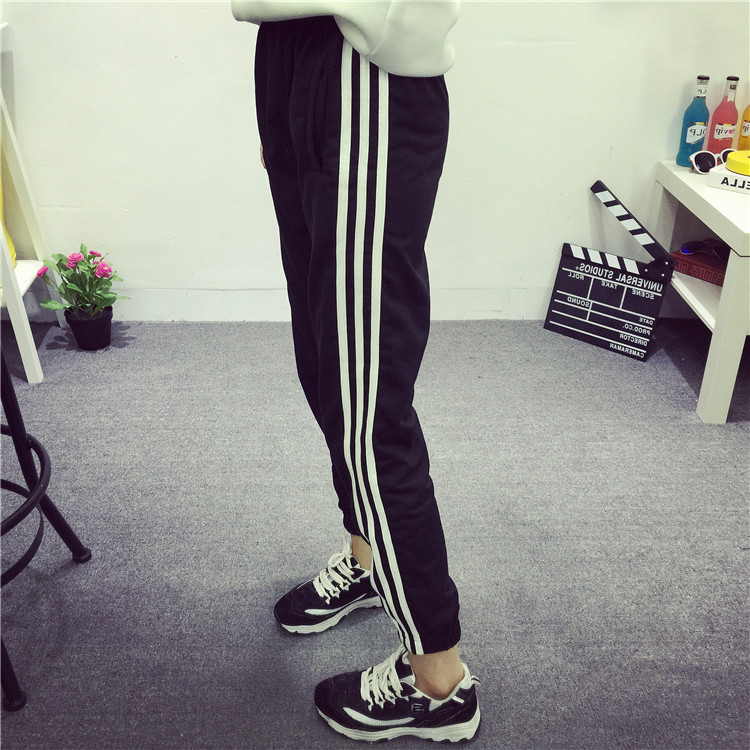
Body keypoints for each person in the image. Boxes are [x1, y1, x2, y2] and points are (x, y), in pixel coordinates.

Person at [231, 1, 480, 742]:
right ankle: (370, 557)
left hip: (364, 65)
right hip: (293, 51)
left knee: (368, 406)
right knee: (324, 363)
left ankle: (439, 681)